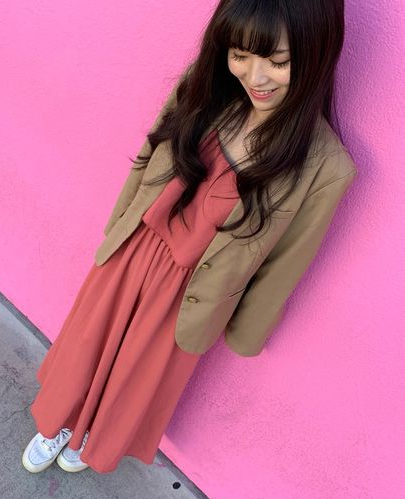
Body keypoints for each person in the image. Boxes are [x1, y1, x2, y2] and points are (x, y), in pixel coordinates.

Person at [21, 0, 358, 475]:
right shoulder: (206, 86)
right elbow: (151, 151)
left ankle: (91, 435)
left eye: (278, 62)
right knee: (85, 348)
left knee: (134, 379)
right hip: (135, 252)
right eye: (240, 55)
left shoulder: (326, 167)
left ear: (317, 54)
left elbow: (286, 263)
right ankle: (59, 421)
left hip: (189, 295)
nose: (256, 77)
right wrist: (118, 225)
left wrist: (246, 332)